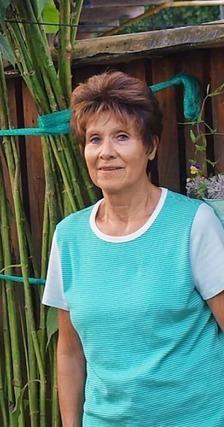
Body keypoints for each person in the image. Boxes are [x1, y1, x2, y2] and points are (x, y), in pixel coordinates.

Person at [42, 71, 224, 426]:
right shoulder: (68, 237)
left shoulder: (193, 224)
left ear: (150, 147)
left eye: (122, 137)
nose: (106, 152)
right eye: (94, 139)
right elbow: (70, 351)